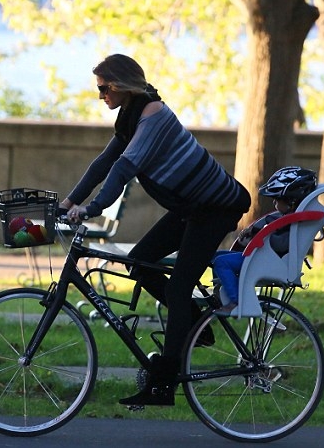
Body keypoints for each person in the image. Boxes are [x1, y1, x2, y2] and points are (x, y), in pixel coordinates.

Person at [59, 54, 251, 407]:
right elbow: (104, 163)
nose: (100, 96)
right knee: (140, 261)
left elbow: (124, 169)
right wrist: (68, 201)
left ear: (120, 85)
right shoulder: (131, 116)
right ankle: (195, 325)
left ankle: (163, 384)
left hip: (216, 209)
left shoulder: (153, 117)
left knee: (178, 287)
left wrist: (91, 209)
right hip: (189, 208)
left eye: (103, 89)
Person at [212, 166, 318, 316]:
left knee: (222, 263)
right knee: (215, 256)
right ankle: (221, 294)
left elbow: (280, 244)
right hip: (264, 259)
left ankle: (236, 301)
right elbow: (272, 220)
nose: (274, 203)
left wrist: (259, 234)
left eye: (277, 199)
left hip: (266, 261)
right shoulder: (290, 219)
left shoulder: (294, 225)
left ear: (291, 202)